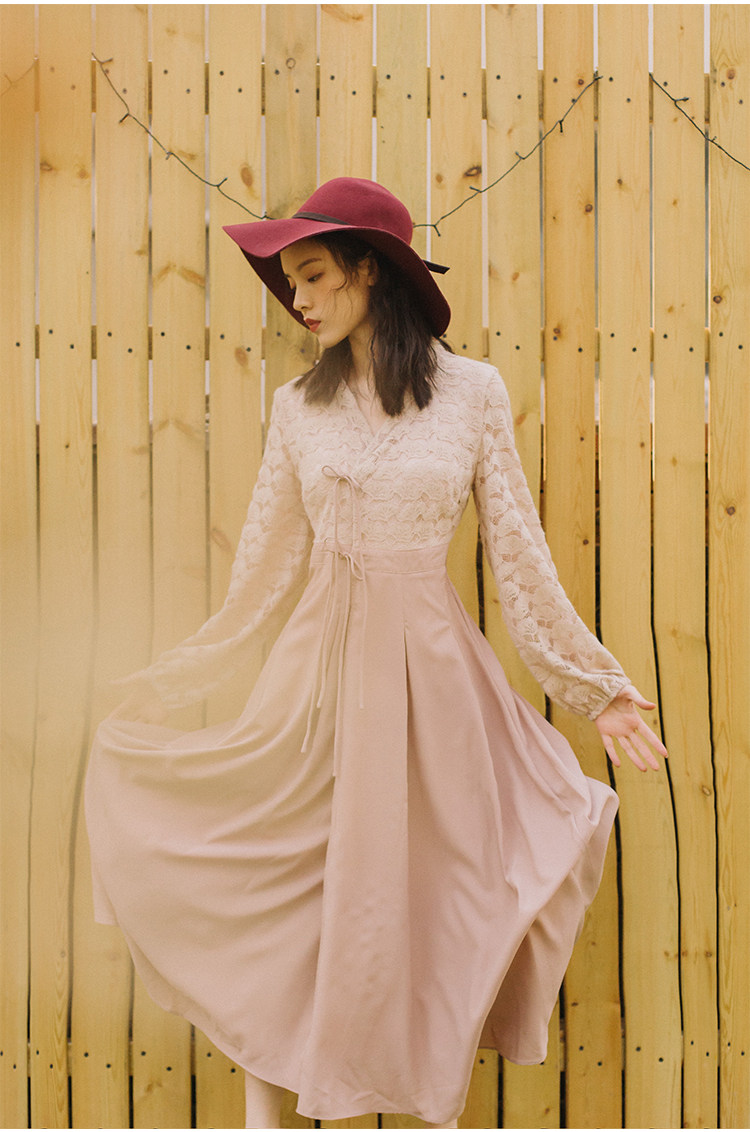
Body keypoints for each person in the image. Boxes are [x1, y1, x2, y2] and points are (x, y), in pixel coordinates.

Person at [85, 177, 667, 1129]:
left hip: (432, 684)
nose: (299, 299)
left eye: (313, 275)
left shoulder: (474, 394)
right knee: (289, 899)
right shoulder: (297, 407)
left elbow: (520, 559)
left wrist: (593, 687)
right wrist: (172, 681)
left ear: (369, 269)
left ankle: (407, 1096)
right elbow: (262, 577)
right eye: (290, 282)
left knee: (433, 900)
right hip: (314, 685)